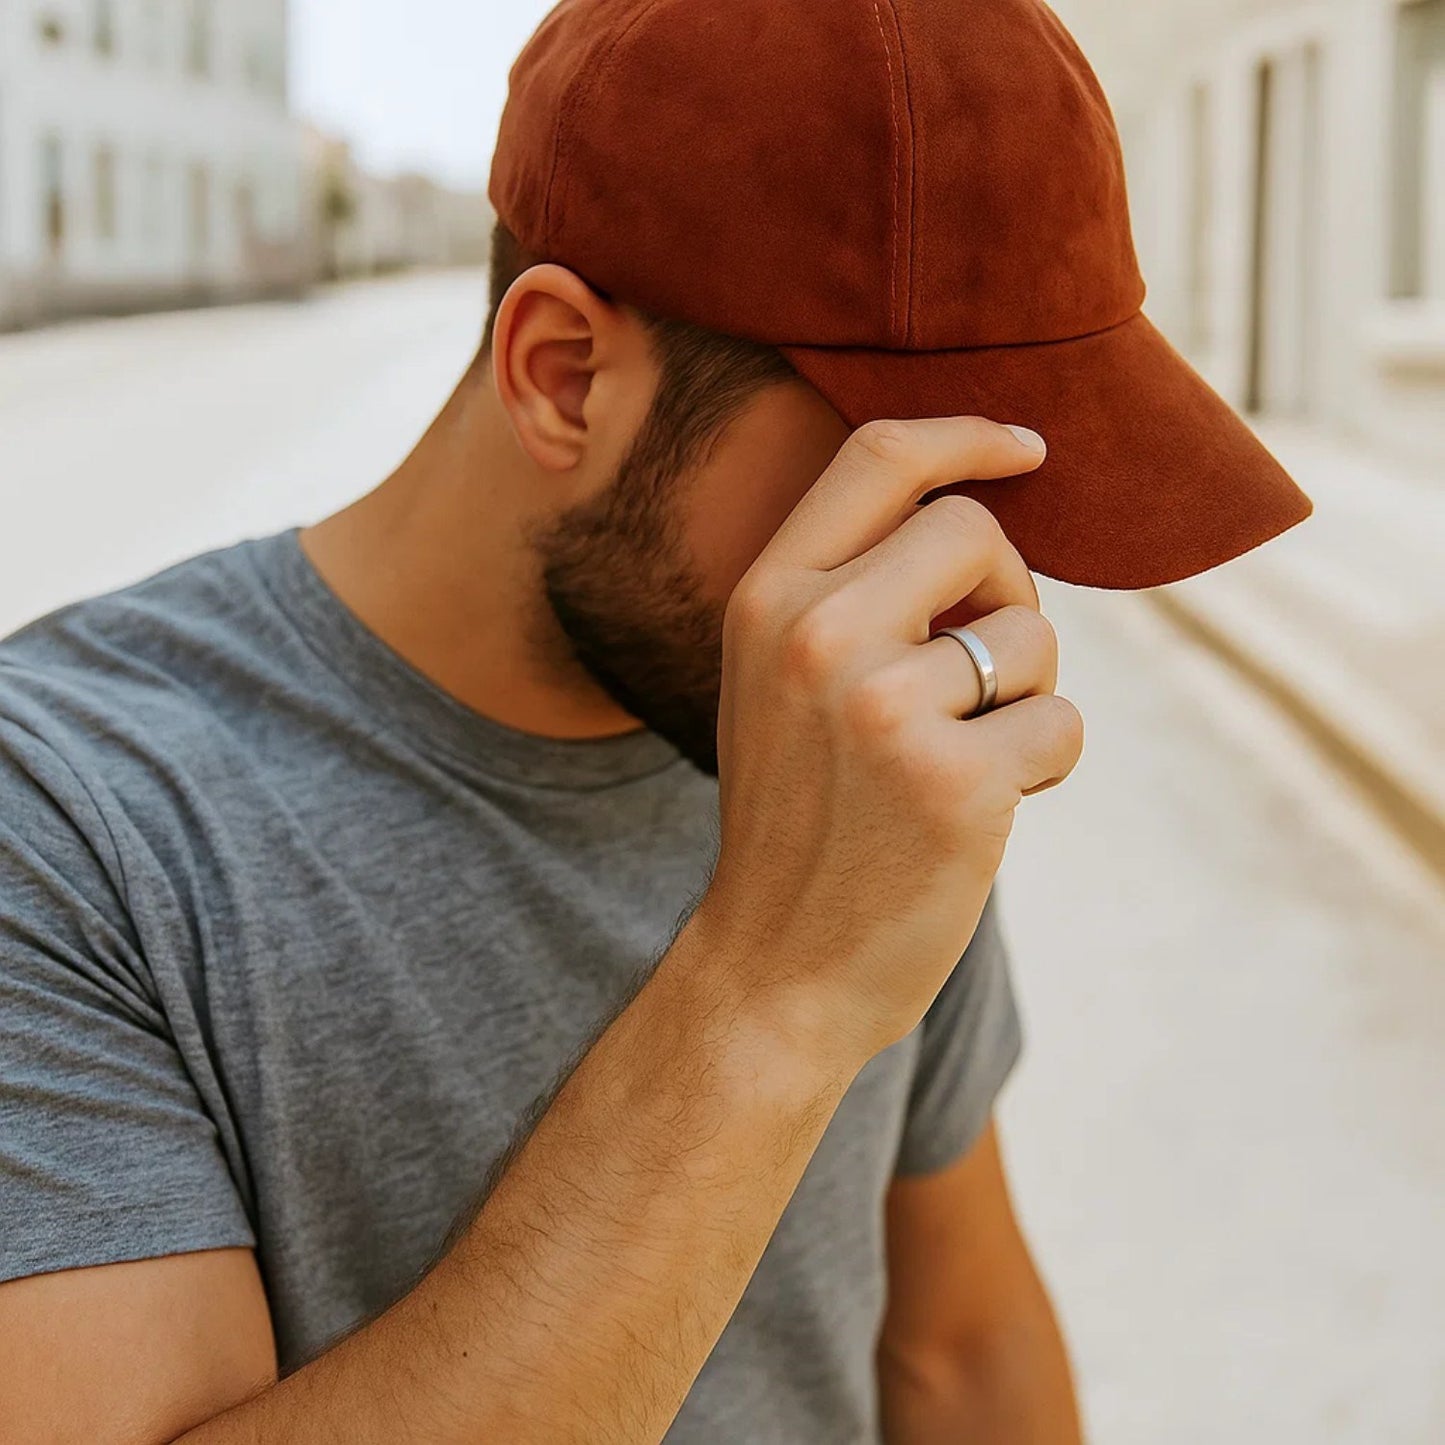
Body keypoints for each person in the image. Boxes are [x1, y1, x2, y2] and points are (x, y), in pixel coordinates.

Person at [0, 1, 1312, 1441]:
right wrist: (772, 985)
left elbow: (956, 1341)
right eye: (908, 486)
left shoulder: (850, 720)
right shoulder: (64, 818)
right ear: (562, 373)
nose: (972, 594)